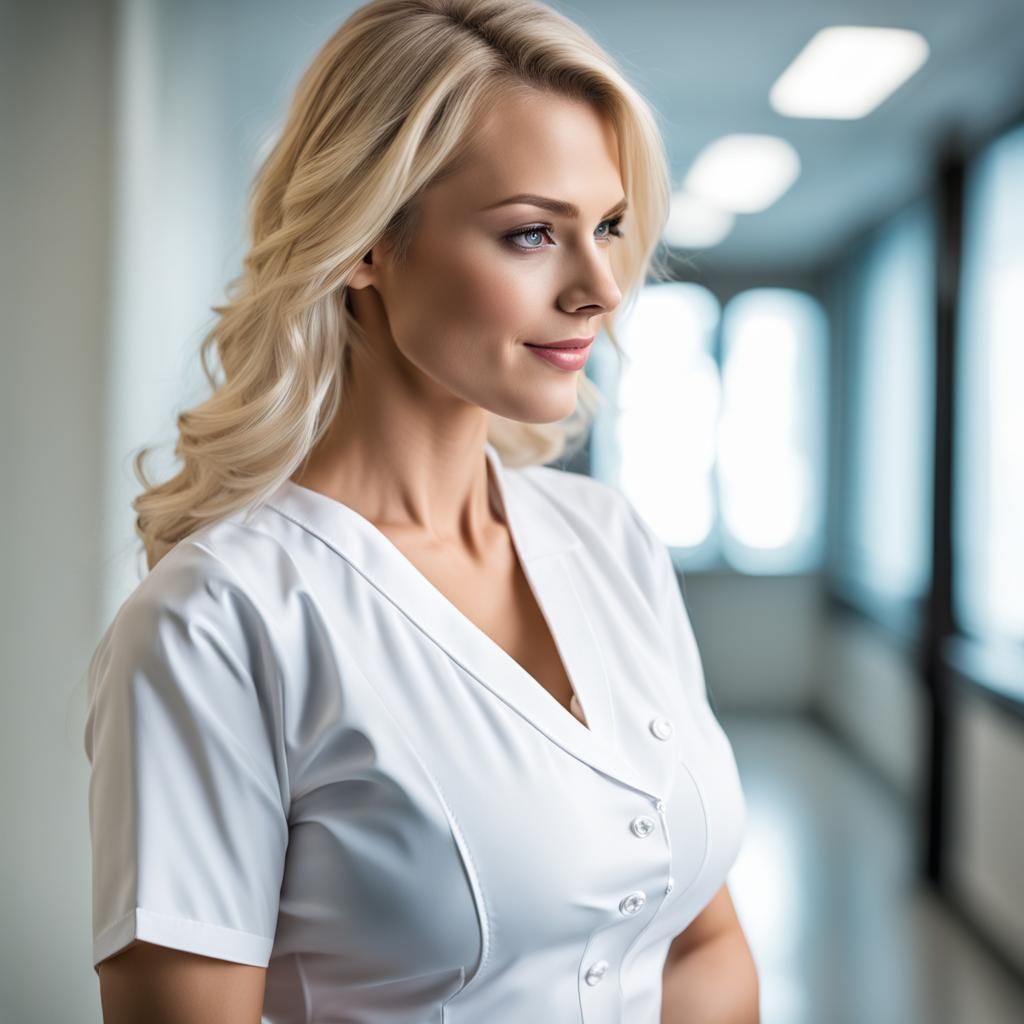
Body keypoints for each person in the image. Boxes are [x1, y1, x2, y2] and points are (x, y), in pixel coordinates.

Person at [84, 0, 759, 1020]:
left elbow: (703, 943)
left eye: (609, 227)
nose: (600, 288)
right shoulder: (216, 623)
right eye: (532, 233)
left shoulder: (608, 541)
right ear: (365, 242)